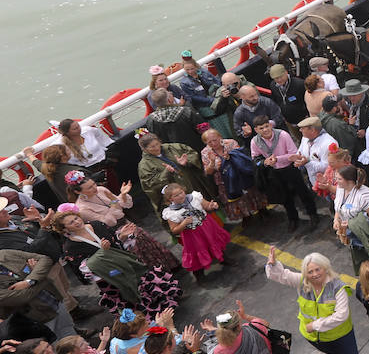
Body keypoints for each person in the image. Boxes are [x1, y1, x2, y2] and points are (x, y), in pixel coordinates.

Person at [266, 246, 369, 354]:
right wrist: (272, 264)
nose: (314, 274)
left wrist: (315, 325)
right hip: (315, 338)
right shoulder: (303, 282)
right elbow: (283, 276)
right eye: (310, 272)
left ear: (325, 268)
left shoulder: (337, 287)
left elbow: (341, 315)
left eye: (318, 270)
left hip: (340, 336)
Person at [48, 207, 181, 314]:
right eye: (71, 222)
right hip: (111, 276)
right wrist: (102, 252)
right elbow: (84, 271)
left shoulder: (97, 225)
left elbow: (116, 243)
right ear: (65, 229)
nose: (77, 222)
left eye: (76, 218)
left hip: (125, 263)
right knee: (132, 295)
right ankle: (154, 315)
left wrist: (122, 237)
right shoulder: (70, 247)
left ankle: (167, 307)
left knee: (145, 282)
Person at [250, 116, 319, 230]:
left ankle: (313, 214)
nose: (265, 130)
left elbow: (293, 153)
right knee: (284, 196)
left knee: (302, 192)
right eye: (261, 128)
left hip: (290, 168)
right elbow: (255, 158)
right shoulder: (254, 142)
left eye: (266, 126)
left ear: (270, 125)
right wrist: (265, 162)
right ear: (256, 130)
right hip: (274, 171)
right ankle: (293, 218)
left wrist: (278, 159)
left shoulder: (283, 135)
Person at [160, 182, 231, 280]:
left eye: (181, 192)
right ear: (170, 199)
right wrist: (184, 223)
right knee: (197, 252)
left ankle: (224, 259)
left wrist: (212, 206)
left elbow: (206, 206)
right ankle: (199, 274)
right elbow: (174, 230)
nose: (181, 195)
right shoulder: (171, 213)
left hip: (207, 226)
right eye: (176, 195)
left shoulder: (195, 197)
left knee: (214, 242)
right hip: (192, 235)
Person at [199, 128, 268, 223]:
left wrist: (230, 157)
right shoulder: (205, 152)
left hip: (240, 174)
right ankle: (245, 216)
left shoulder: (230, 143)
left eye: (215, 140)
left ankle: (262, 210)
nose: (213, 144)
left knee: (252, 192)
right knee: (235, 199)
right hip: (224, 179)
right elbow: (208, 172)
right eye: (209, 142)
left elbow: (241, 157)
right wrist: (212, 163)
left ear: (220, 137)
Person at [137, 131, 215, 206]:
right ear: (145, 149)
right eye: (152, 147)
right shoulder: (144, 165)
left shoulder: (172, 147)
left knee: (206, 203)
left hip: (192, 183)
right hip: (176, 195)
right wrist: (166, 172)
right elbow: (150, 184)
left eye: (157, 144)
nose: (157, 148)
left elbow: (192, 153)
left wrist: (187, 161)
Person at [293, 116, 333, 187]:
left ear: (312, 130)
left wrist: (307, 162)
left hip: (328, 184)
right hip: (314, 181)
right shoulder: (305, 138)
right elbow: (301, 150)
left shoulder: (328, 143)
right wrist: (298, 158)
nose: (300, 130)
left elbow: (328, 166)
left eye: (302, 128)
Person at [268, 64, 309, 130]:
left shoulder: (299, 84)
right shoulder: (273, 85)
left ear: (286, 72)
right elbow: (275, 100)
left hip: (304, 119)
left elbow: (308, 101)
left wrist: (308, 116)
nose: (279, 80)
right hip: (289, 121)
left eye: (281, 76)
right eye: (276, 78)